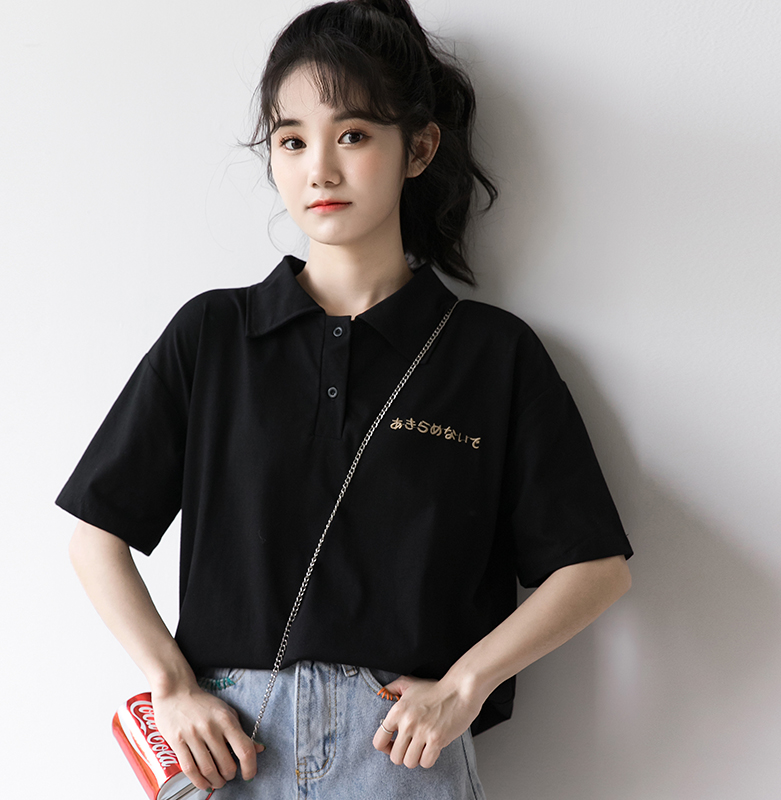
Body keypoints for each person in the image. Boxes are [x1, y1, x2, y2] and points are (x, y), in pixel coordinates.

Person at [57, 1, 633, 797]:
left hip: (401, 754)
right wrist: (172, 685)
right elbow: (97, 537)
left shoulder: (490, 354)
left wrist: (465, 686)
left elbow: (595, 568)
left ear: (418, 148)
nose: (319, 171)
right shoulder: (215, 335)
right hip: (230, 748)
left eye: (353, 135)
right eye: (292, 141)